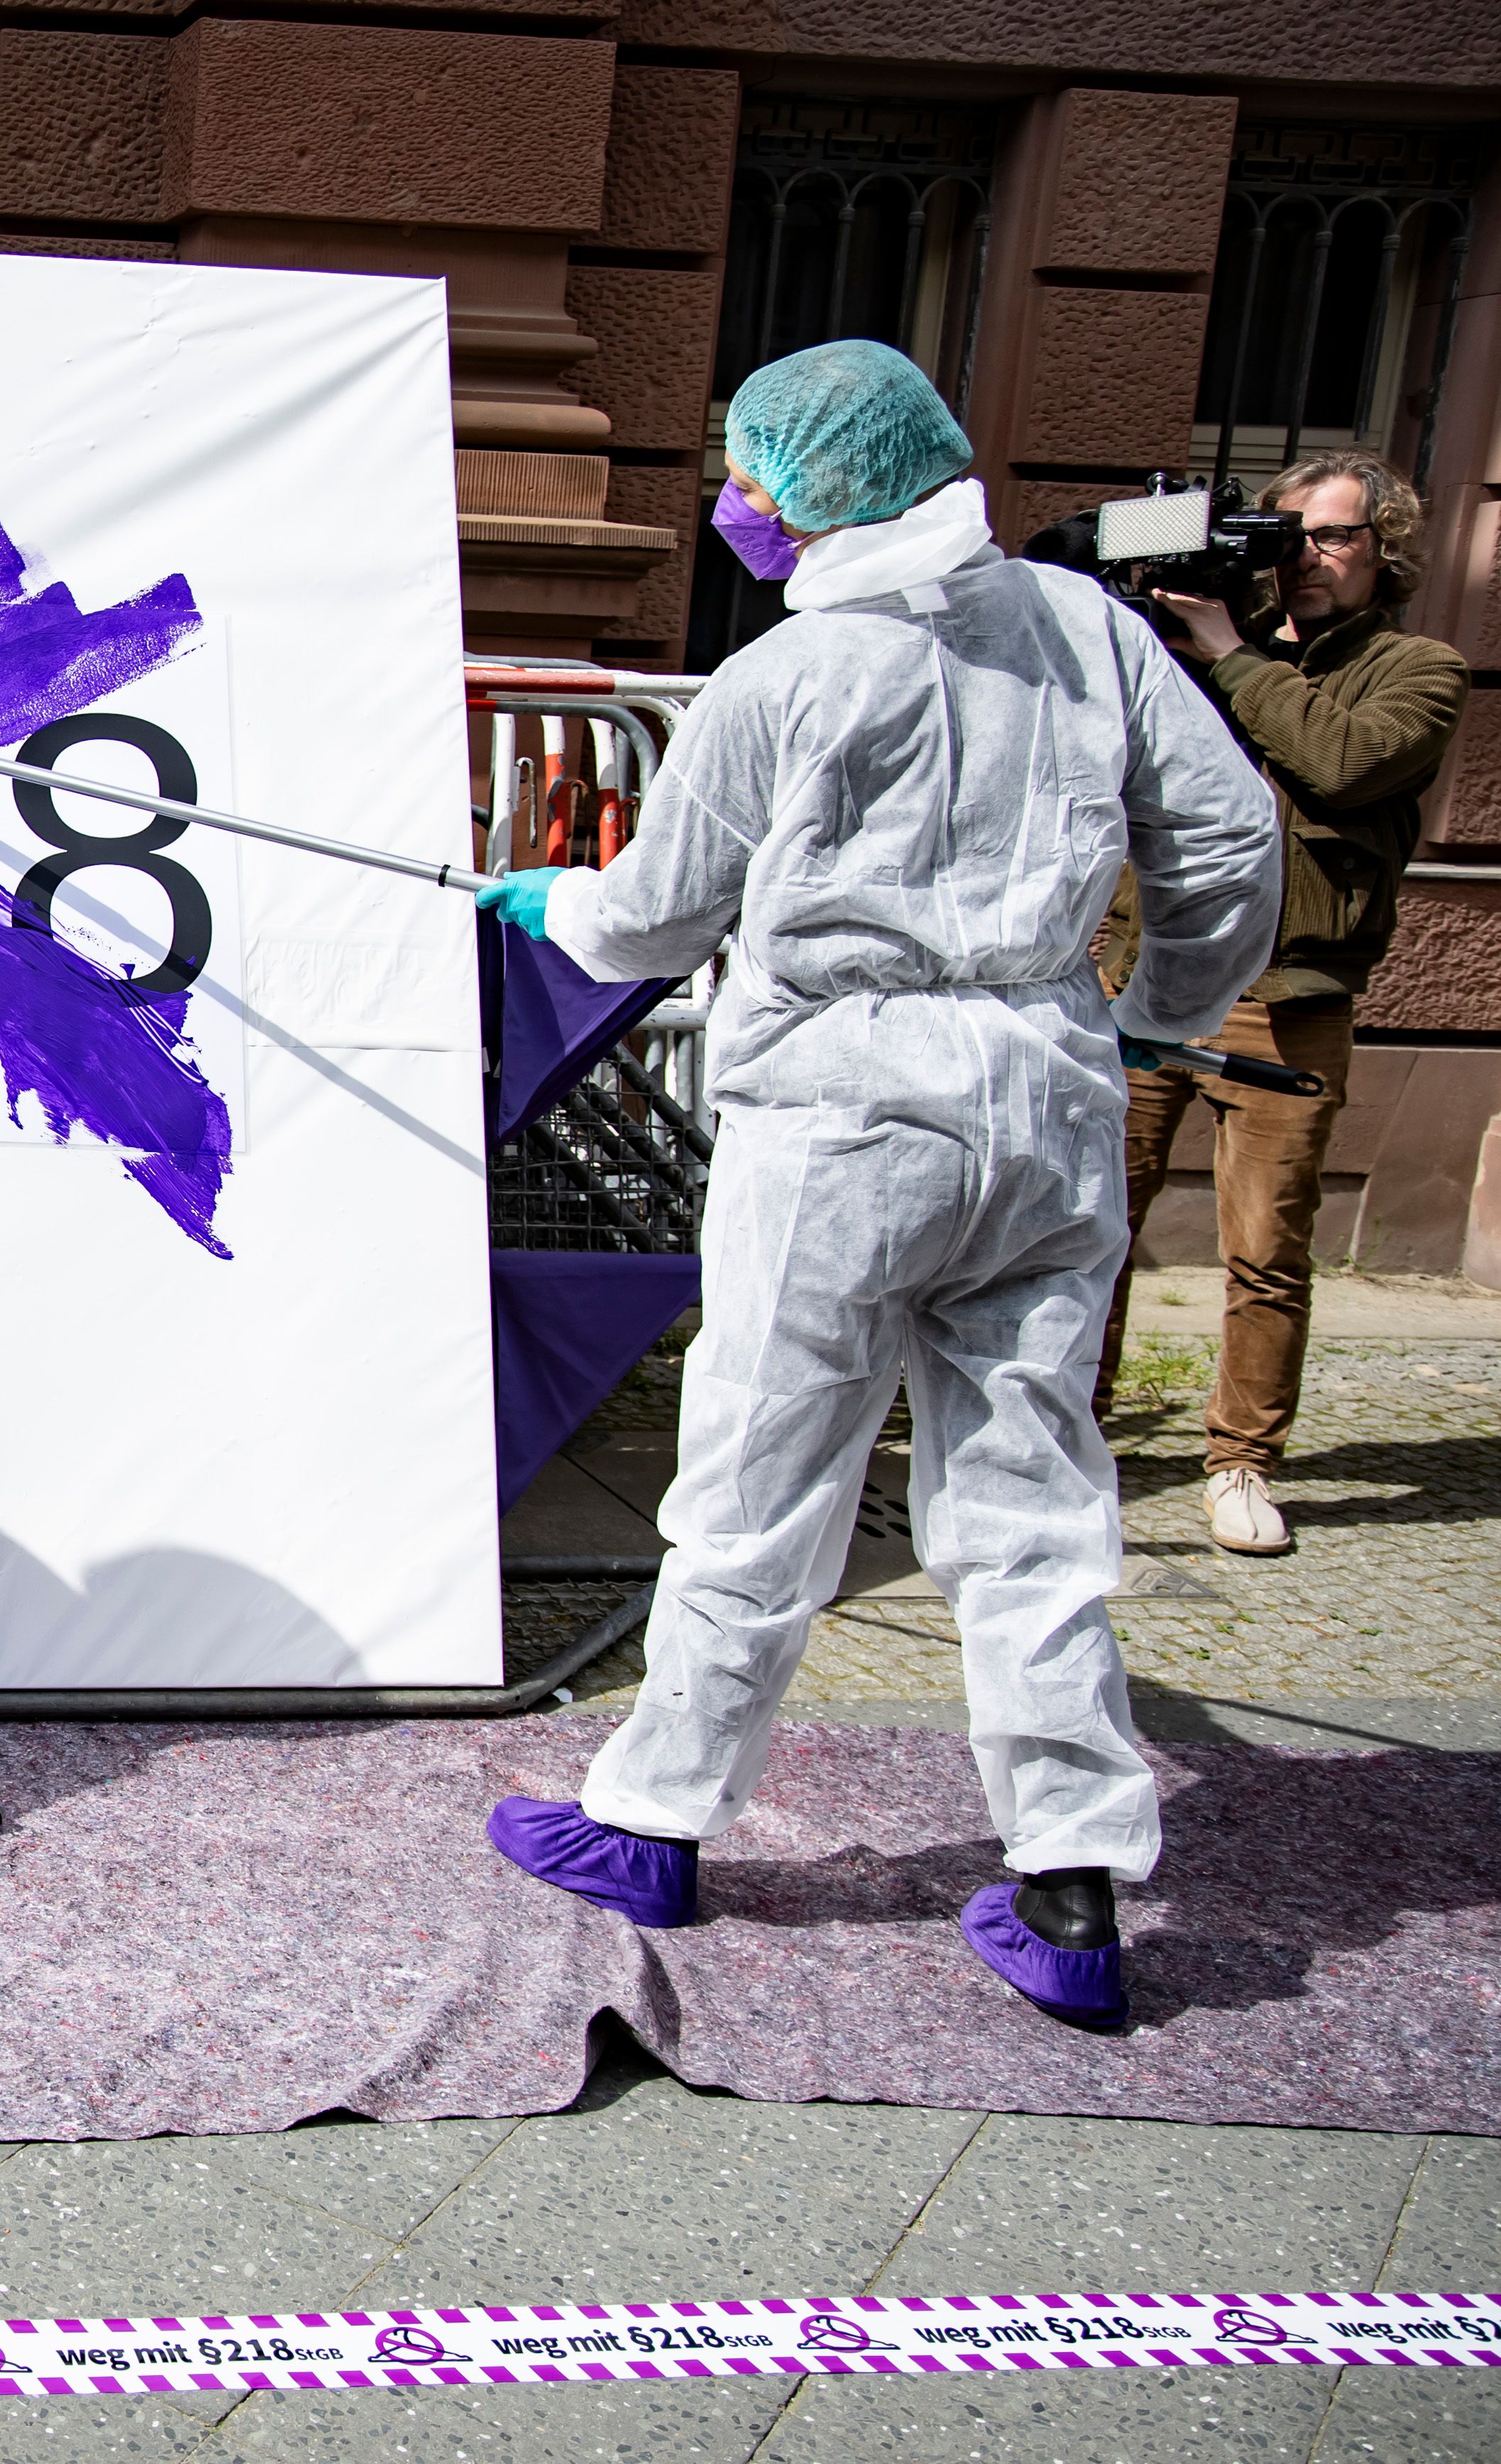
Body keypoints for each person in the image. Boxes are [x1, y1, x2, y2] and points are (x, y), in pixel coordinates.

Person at [471, 340, 1281, 2030]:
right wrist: (1158, 1011)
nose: (735, 503)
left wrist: (557, 909)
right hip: (1044, 1094)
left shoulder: (784, 674)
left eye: (749, 474)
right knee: (1029, 1497)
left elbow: (653, 913)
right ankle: (1069, 1881)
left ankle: (652, 1821)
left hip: (840, 1112)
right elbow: (1225, 843)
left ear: (813, 488)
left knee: (758, 1479)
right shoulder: (1088, 631)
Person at [1096, 452, 1471, 1555]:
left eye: (1337, 537)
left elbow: (1343, 763)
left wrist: (1232, 654)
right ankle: (1070, 1437)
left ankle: (1242, 1463)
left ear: (1385, 552)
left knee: (1267, 1249)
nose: (1308, 557)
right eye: (1289, 535)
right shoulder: (1190, 648)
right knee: (1089, 1226)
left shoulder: (1420, 669)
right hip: (1149, 976)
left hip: (1288, 992)